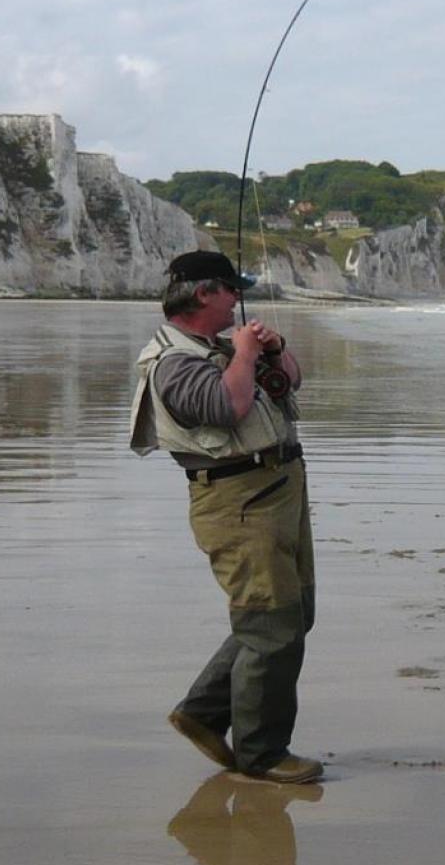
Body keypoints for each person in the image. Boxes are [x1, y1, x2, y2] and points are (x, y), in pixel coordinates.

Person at [130, 250, 321, 784]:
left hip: (276, 490)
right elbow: (227, 407)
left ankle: (203, 712)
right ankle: (262, 755)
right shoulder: (172, 361)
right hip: (238, 502)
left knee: (291, 614)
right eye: (231, 289)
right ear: (202, 294)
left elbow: (290, 385)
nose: (239, 298)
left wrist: (273, 350)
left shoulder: (216, 348)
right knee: (270, 623)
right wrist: (242, 354)